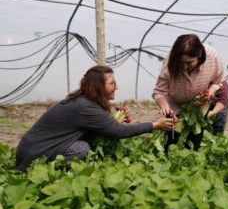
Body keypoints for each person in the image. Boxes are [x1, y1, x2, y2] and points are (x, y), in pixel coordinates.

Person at [15, 65, 173, 172]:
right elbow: (119, 131)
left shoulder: (84, 102)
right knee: (81, 149)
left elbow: (107, 128)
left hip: (32, 149)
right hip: (34, 154)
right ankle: (50, 172)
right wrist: (154, 125)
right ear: (99, 86)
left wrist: (110, 124)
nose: (116, 87)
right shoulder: (84, 107)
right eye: (112, 83)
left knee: (84, 145)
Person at [152, 34, 224, 151]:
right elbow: (159, 91)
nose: (185, 66)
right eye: (181, 63)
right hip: (173, 106)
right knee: (171, 140)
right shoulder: (170, 61)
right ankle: (168, 161)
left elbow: (218, 81)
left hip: (198, 108)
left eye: (189, 62)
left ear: (199, 56)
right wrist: (164, 106)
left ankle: (190, 159)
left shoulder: (212, 57)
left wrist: (210, 92)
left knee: (195, 140)